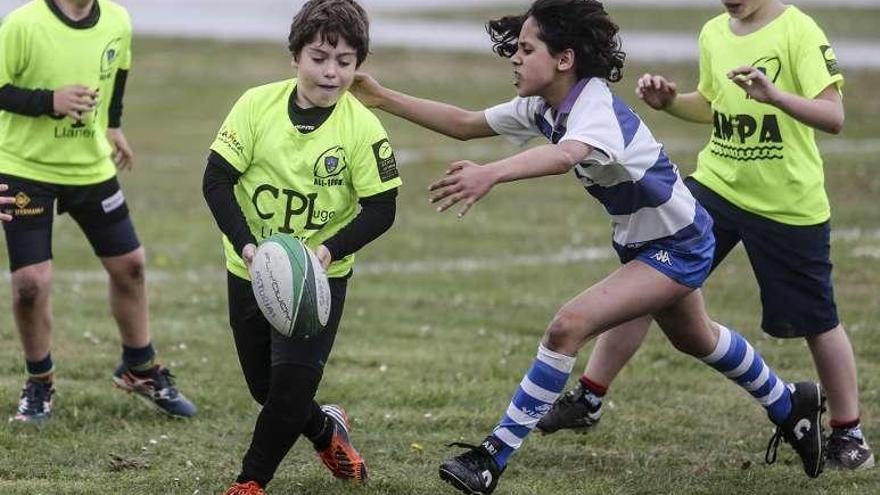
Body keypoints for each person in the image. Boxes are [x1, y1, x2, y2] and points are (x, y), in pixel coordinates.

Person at [351, 0, 830, 492]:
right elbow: (464, 122)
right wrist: (381, 96)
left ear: (564, 59)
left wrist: (491, 173)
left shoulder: (594, 106)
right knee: (696, 338)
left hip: (678, 242)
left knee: (567, 327)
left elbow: (564, 156)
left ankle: (491, 457)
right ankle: (790, 402)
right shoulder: (544, 105)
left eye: (526, 48)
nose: (514, 58)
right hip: (646, 241)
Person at [536, 0, 873, 472]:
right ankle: (588, 397)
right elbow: (713, 105)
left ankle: (848, 430)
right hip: (714, 188)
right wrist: (672, 102)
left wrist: (774, 96)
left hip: (788, 203)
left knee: (817, 319)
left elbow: (832, 116)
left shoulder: (799, 30)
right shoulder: (714, 31)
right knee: (646, 282)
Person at [201, 1, 402, 493]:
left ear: (358, 65)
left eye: (345, 61)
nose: (331, 72)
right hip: (252, 268)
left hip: (319, 276)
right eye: (319, 57)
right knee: (265, 389)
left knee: (291, 385)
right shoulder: (255, 105)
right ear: (295, 56)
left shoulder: (361, 129)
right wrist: (248, 247)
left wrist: (328, 251)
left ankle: (250, 482)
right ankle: (324, 428)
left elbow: (382, 208)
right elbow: (216, 181)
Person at [0, 0, 196, 423]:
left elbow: (116, 75)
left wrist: (112, 125)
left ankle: (139, 368)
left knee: (131, 266)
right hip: (24, 169)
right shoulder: (21, 24)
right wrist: (47, 100)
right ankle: (39, 383)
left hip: (89, 167)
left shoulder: (117, 19)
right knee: (30, 284)